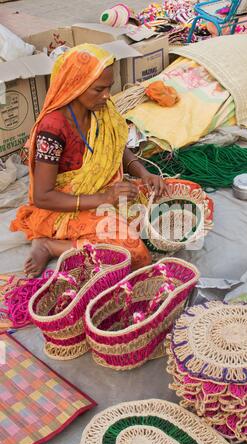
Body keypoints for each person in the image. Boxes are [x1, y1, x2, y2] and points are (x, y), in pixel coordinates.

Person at [11, 44, 167, 277]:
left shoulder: (101, 108)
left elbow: (116, 148)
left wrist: (143, 173)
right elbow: (42, 196)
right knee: (132, 252)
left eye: (109, 87)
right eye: (98, 89)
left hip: (104, 191)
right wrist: (104, 198)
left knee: (169, 202)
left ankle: (103, 230)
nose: (106, 95)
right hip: (63, 205)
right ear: (76, 85)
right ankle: (50, 245)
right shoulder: (52, 129)